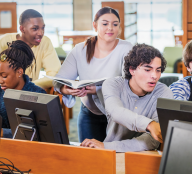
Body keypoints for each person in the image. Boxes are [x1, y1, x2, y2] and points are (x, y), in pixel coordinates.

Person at [54, 7, 133, 142]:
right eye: (105, 24)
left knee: (116, 159)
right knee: (88, 159)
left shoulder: (126, 48)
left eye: (115, 24)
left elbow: (131, 84)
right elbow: (59, 80)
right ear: (94, 25)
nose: (110, 28)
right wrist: (64, 88)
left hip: (118, 115)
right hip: (89, 113)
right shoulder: (80, 49)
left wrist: (97, 90)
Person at [80, 44, 173, 152]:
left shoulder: (164, 93)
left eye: (158, 70)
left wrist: (108, 146)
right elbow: (116, 112)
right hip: (110, 154)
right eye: (148, 70)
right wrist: (149, 124)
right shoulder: (112, 84)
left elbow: (153, 140)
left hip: (143, 157)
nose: (155, 76)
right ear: (132, 70)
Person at [0, 9, 61, 89]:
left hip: (30, 94)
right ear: (22, 29)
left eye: (42, 28)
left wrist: (26, 86)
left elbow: (55, 75)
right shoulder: (4, 41)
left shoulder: (45, 42)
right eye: (35, 29)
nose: (41, 33)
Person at [0, 40, 46, 138]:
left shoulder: (38, 95)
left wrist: (4, 133)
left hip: (30, 150)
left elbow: (43, 134)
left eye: (4, 76)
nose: (0, 81)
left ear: (19, 72)